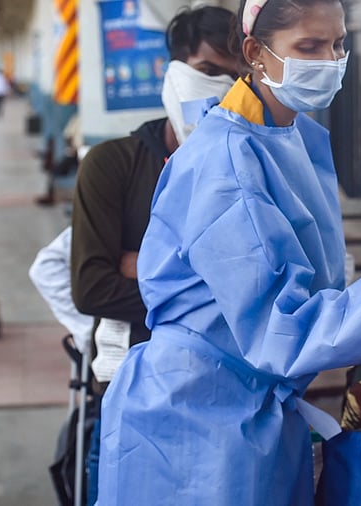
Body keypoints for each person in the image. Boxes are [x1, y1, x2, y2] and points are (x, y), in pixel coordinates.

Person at [96, 1, 361, 504]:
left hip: (255, 407)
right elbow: (279, 331)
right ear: (254, 53)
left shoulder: (294, 137)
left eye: (337, 45)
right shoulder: (226, 162)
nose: (329, 61)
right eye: (308, 47)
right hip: (198, 421)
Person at [69, 6, 239, 503]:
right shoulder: (112, 166)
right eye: (208, 71)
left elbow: (274, 291)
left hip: (229, 405)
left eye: (236, 76)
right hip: (132, 404)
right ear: (175, 71)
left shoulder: (255, 171)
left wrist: (142, 263)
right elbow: (92, 286)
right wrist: (214, 285)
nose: (220, 88)